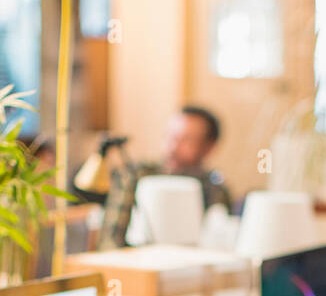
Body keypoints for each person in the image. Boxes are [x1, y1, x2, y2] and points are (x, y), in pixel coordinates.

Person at [99, 106, 232, 249]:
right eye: (170, 136)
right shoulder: (137, 176)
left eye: (186, 140)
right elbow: (110, 238)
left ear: (208, 147)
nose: (173, 146)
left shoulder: (214, 190)